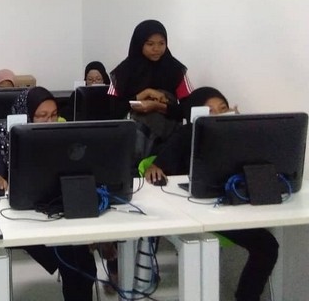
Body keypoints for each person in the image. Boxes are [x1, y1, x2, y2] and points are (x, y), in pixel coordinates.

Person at [144, 87, 277, 301]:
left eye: (223, 109)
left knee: (267, 246)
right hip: (195, 210)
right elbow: (156, 166)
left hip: (229, 208)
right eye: (210, 111)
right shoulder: (186, 135)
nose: (218, 115)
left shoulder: (240, 136)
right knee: (218, 244)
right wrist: (153, 170)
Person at [0, 87, 97, 301]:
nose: (49, 121)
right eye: (42, 116)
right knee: (70, 254)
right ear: (26, 114)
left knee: (80, 258)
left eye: (54, 115)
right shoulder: (3, 135)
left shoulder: (64, 133)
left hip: (57, 209)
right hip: (19, 216)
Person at [108, 19, 193, 156]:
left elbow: (189, 109)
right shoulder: (122, 73)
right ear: (139, 43)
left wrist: (158, 107)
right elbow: (111, 111)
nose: (156, 49)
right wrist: (142, 95)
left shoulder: (175, 70)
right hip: (131, 140)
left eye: (161, 43)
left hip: (170, 140)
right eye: (150, 44)